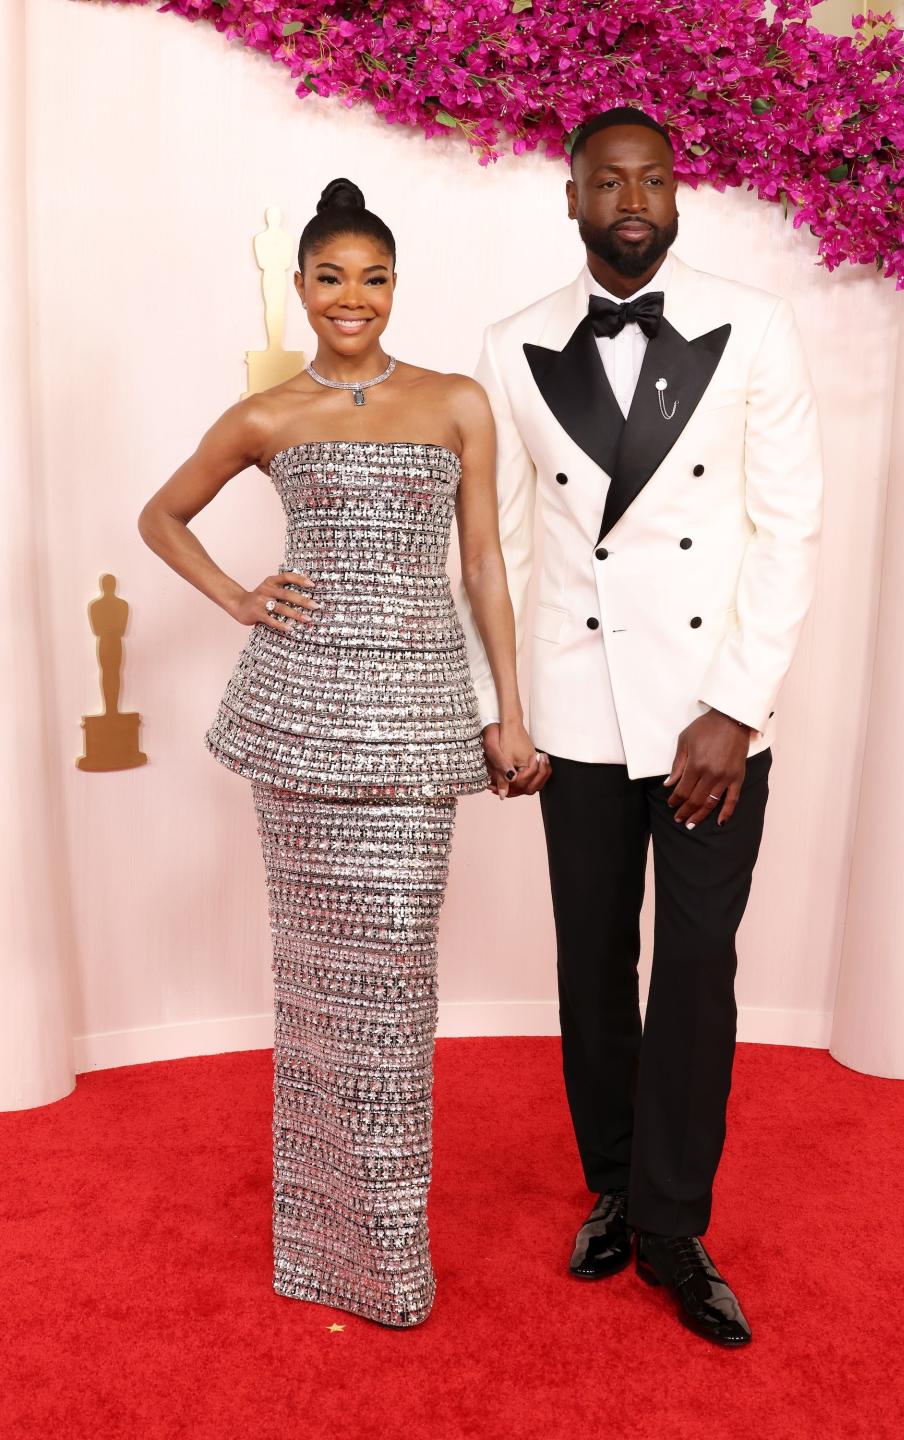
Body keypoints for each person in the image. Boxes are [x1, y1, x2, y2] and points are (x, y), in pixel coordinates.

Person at [138, 178, 537, 1328]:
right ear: (301, 288)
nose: (351, 297)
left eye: (372, 277)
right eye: (329, 277)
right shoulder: (266, 419)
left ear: (396, 286)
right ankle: (322, 1252)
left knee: (396, 985)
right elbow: (162, 516)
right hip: (300, 724)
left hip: (416, 722)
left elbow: (487, 569)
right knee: (314, 983)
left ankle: (390, 1256)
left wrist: (508, 713)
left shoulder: (458, 401)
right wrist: (239, 598)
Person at [456, 107, 823, 1347]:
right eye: (607, 179)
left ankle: (673, 1222)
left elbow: (788, 529)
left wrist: (735, 705)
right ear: (570, 200)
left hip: (713, 717)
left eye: (652, 178)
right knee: (592, 963)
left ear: (678, 195)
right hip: (574, 704)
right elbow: (499, 546)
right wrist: (504, 708)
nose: (632, 197)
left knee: (697, 970)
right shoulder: (511, 346)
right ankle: (613, 1184)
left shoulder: (755, 325)